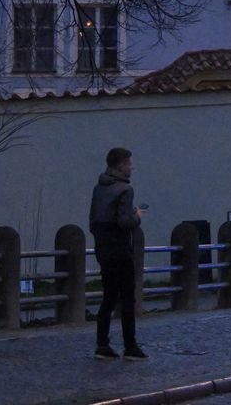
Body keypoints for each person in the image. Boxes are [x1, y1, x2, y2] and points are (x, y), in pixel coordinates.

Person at [90, 146, 146, 361]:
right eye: (129, 163)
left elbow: (93, 222)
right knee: (127, 298)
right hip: (121, 250)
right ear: (121, 165)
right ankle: (130, 346)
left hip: (103, 249)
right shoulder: (124, 190)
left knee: (109, 297)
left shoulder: (98, 188)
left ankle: (102, 344)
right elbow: (124, 221)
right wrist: (137, 217)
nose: (132, 167)